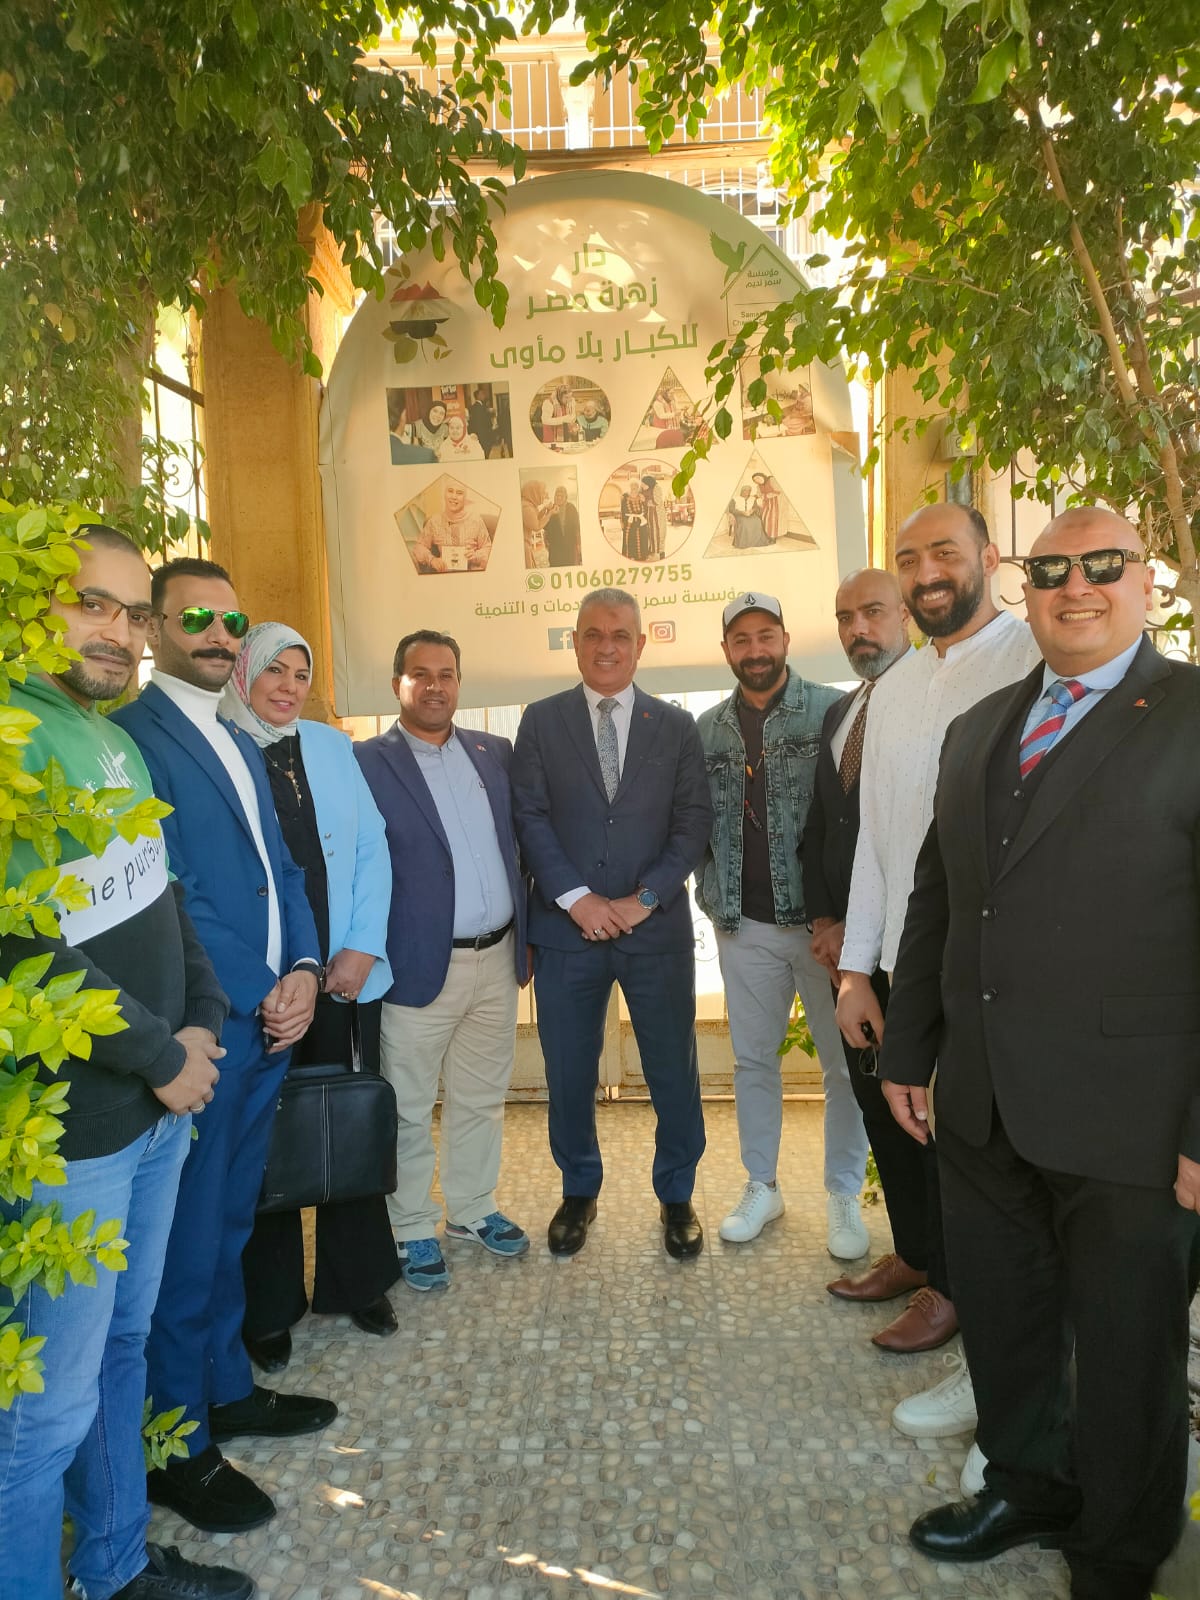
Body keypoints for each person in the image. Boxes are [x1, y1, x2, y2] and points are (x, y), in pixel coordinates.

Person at [880, 508, 1200, 1600]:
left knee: (1125, 1350)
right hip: (983, 1103)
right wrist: (909, 1049)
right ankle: (1030, 1484)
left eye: (1103, 565)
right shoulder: (983, 725)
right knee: (1009, 1323)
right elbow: (940, 896)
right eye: (1053, 568)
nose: (1076, 586)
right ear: (1026, 587)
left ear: (1145, 582)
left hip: (1134, 1120)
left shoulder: (1191, 713)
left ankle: (1118, 1550)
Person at [0, 527, 249, 1600]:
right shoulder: (13, 735)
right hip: (75, 1132)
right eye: (88, 604)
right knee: (42, 1412)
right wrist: (159, 1054)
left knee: (122, 1349)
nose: (118, 631)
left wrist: (202, 1015)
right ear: (27, 602)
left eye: (130, 611)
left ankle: (114, 1566)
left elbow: (160, 895)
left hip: (152, 1113)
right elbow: (19, 948)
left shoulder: (108, 734)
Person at [112, 559, 335, 1536]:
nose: (217, 633)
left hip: (272, 1021)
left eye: (231, 621)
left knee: (232, 1224)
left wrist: (306, 969)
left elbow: (280, 871)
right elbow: (169, 895)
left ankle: (226, 1389)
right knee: (186, 1243)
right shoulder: (135, 737)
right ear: (155, 627)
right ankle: (176, 1445)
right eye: (196, 616)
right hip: (210, 1029)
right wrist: (257, 989)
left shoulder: (239, 738)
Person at [833, 505, 1040, 1437]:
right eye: (909, 557)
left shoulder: (1034, 660)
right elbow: (876, 839)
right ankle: (953, 1297)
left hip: (1000, 971)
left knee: (999, 1175)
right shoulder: (899, 685)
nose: (926, 573)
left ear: (989, 558)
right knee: (935, 1147)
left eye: (945, 553)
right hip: (905, 965)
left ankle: (991, 1353)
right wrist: (857, 970)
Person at [511, 589, 712, 1260]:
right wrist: (578, 899)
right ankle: (578, 1190)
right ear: (574, 642)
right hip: (566, 933)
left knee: (672, 1070)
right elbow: (529, 817)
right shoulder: (540, 721)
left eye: (620, 635)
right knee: (569, 1071)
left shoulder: (675, 726)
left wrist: (642, 899)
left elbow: (693, 823)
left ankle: (677, 1195)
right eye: (593, 634)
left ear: (640, 645)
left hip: (654, 931)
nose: (606, 646)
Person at [221, 624, 399, 1366]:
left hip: (343, 974)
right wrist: (261, 984)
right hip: (262, 985)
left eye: (301, 673)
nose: (289, 687)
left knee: (345, 1119)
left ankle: (357, 1280)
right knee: (264, 1136)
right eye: (275, 671)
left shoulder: (329, 745)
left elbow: (371, 847)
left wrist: (360, 946)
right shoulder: (219, 745)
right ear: (243, 673)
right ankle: (267, 1307)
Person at [695, 592, 869, 1254]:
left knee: (843, 1065)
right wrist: (712, 890)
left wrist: (850, 917)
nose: (755, 650)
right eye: (741, 640)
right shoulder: (707, 729)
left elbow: (859, 815)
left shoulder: (834, 711)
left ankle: (843, 1196)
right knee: (752, 1061)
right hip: (745, 926)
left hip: (826, 931)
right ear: (726, 650)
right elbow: (695, 821)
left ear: (786, 640)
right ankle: (762, 1186)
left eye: (766, 635)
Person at [355, 631, 530, 1290]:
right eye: (420, 674)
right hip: (415, 964)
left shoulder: (494, 753)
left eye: (447, 674)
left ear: (459, 681)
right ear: (396, 684)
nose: (435, 686)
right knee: (407, 1106)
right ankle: (409, 1226)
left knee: (480, 1097)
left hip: (497, 956)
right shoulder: (366, 762)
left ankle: (472, 1208)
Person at [801, 572, 939, 1306]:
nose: (859, 628)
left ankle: (952, 1280)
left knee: (929, 1116)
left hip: (918, 948)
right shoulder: (842, 711)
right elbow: (822, 829)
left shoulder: (935, 697)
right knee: (877, 1103)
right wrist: (828, 923)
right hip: (853, 959)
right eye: (845, 616)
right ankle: (914, 1254)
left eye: (874, 612)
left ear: (907, 615)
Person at [412, 481, 492, 573]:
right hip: (445, 575)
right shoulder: (434, 522)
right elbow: (419, 546)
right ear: (444, 495)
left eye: (459, 493)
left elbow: (488, 548)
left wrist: (476, 556)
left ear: (465, 498)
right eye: (450, 491)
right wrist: (431, 559)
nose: (454, 497)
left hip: (471, 575)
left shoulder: (476, 521)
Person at [544, 485, 582, 568]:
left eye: (561, 496)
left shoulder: (571, 508)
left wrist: (578, 544)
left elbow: (577, 527)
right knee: (555, 566)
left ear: (566, 497)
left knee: (570, 566)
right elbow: (546, 528)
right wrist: (546, 541)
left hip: (569, 545)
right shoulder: (551, 509)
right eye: (557, 495)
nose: (559, 498)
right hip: (555, 547)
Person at [521, 478, 552, 569]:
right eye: (542, 493)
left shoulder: (529, 505)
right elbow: (536, 526)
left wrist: (545, 510)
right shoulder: (526, 508)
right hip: (524, 546)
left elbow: (535, 518)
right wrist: (550, 513)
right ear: (534, 493)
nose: (544, 496)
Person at [752, 472, 783, 543]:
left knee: (772, 520)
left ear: (762, 476)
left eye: (758, 477)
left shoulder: (771, 480)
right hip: (766, 503)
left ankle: (773, 538)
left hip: (775, 502)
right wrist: (754, 496)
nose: (757, 480)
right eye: (755, 480)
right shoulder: (758, 486)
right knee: (764, 518)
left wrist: (765, 496)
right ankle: (766, 536)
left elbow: (778, 491)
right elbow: (759, 494)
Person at [467, 387, 498, 458]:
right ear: (478, 396)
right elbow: (482, 422)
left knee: (484, 452)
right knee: (485, 452)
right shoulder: (479, 407)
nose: (484, 395)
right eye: (482, 394)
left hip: (481, 435)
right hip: (483, 435)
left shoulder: (477, 407)